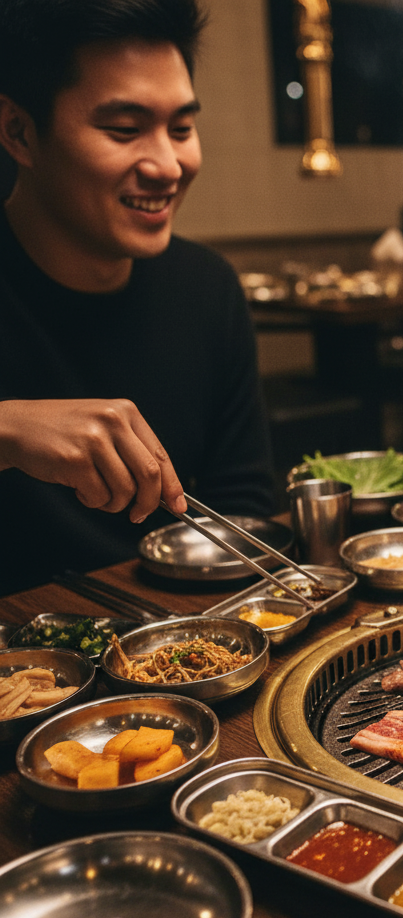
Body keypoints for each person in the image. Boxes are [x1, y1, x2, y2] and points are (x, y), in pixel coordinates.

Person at [0, 0, 275, 595]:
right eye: (125, 130)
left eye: (181, 128)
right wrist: (8, 429)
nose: (168, 165)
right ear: (19, 131)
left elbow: (241, 506)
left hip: (171, 642)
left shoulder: (207, 287)